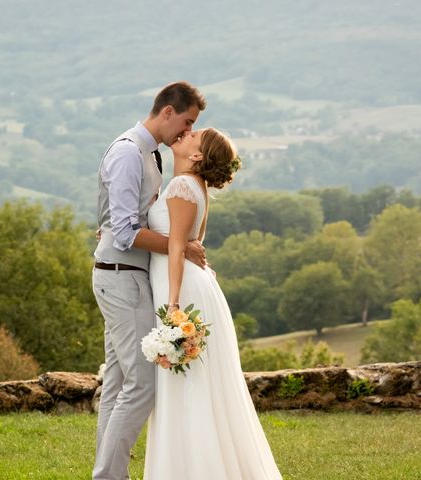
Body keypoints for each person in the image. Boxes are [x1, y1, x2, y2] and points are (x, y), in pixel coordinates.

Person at [143, 128, 283, 479]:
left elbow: (177, 248)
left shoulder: (181, 186)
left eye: (195, 136)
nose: (186, 134)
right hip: (194, 284)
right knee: (196, 381)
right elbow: (191, 242)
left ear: (197, 156)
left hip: (182, 288)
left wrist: (173, 305)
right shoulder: (194, 186)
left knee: (188, 382)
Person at [91, 81, 207, 480]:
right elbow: (124, 232)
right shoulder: (127, 152)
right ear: (168, 111)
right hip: (121, 278)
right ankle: (108, 475)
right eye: (187, 121)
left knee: (119, 381)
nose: (187, 132)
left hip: (126, 275)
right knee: (142, 384)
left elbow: (121, 220)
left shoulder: (151, 155)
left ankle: (108, 474)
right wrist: (180, 246)